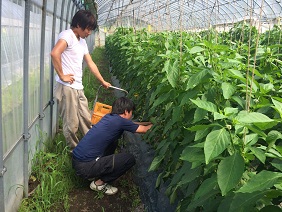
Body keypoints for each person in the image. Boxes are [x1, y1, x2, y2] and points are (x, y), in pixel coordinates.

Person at [51, 10, 111, 150]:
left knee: (86, 118)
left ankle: (90, 147)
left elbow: (91, 63)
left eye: (91, 29)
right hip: (67, 87)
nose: (89, 32)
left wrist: (102, 81)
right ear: (78, 24)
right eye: (88, 28)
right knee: (71, 124)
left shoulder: (82, 42)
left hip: (78, 86)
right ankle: (75, 152)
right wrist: (62, 75)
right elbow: (55, 53)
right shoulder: (67, 35)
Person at [72, 97, 153, 195]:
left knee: (113, 142)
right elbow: (144, 130)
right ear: (126, 112)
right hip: (86, 167)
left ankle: (95, 172)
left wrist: (148, 123)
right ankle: (98, 184)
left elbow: (132, 124)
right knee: (129, 159)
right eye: (131, 113)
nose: (131, 116)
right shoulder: (120, 122)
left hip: (77, 162)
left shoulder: (109, 117)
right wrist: (157, 125)